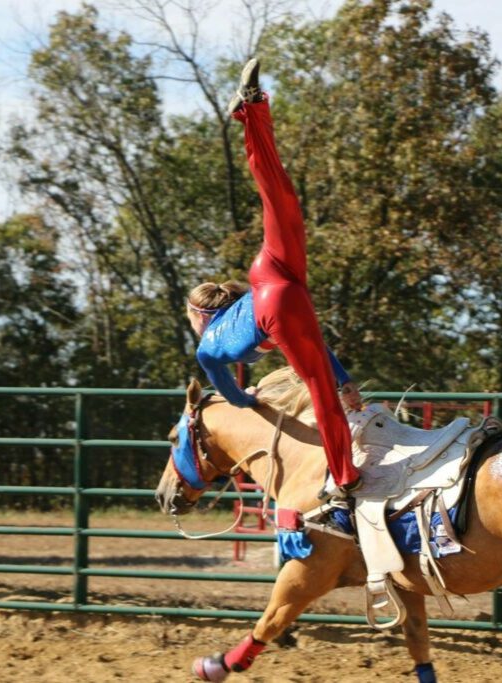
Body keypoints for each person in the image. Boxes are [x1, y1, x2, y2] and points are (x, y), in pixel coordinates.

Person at [187, 58, 363, 499]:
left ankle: (344, 478)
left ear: (200, 315)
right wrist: (345, 379)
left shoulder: (208, 349)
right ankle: (251, 110)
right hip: (270, 274)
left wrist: (254, 400)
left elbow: (239, 399)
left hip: (275, 304)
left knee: (321, 397)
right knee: (277, 195)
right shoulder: (237, 306)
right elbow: (315, 345)